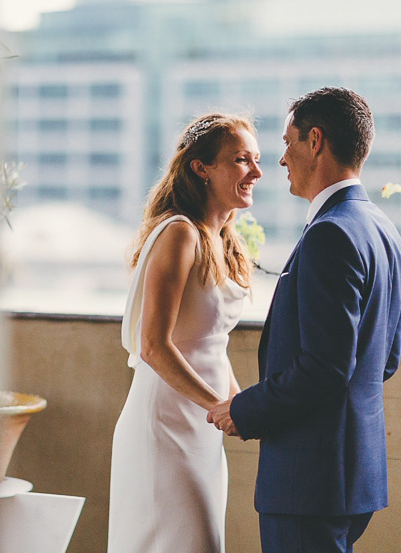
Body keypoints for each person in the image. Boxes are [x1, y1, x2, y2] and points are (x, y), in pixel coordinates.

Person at [208, 87, 401, 553]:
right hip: (351, 479)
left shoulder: (330, 235)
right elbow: (385, 360)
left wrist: (243, 410)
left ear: (314, 141)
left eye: (287, 142)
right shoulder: (383, 229)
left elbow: (325, 369)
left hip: (309, 479)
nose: (280, 160)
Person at [109, 113, 262, 553]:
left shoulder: (225, 241)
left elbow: (209, 343)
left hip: (202, 429)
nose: (256, 171)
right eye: (240, 160)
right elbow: (154, 346)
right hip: (164, 428)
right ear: (201, 168)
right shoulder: (179, 234)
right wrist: (218, 405)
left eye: (255, 159)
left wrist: (243, 407)